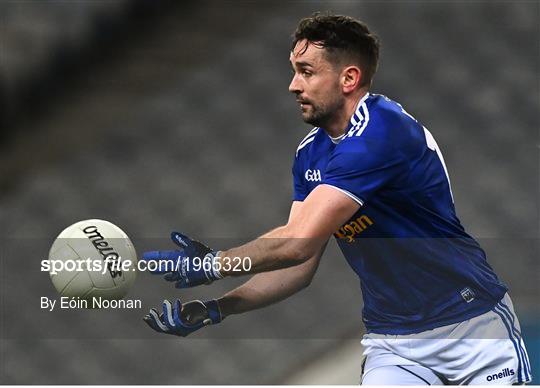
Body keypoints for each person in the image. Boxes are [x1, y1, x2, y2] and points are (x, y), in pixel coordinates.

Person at [141, 13, 532, 385]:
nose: (294, 85)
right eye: (294, 71)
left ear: (348, 78)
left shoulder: (382, 131)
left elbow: (299, 242)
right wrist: (218, 308)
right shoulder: (309, 154)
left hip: (472, 325)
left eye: (306, 72)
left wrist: (213, 264)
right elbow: (299, 264)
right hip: (394, 342)